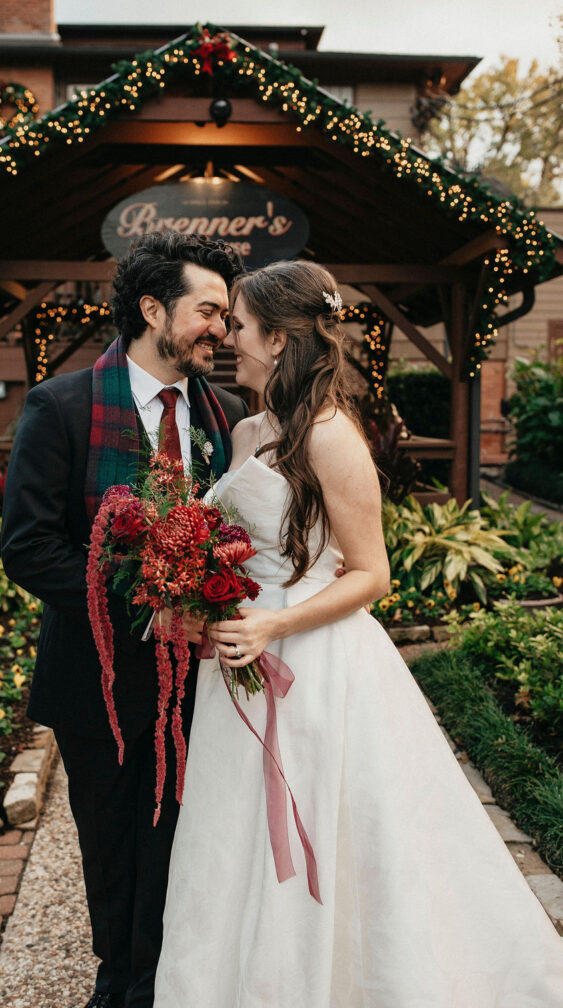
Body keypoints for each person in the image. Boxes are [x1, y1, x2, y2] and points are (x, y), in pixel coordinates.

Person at [153, 260, 563, 1007]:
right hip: (238, 662)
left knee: (335, 827)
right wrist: (194, 597)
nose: (226, 338)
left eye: (238, 326)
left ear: (278, 340)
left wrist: (274, 620)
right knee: (231, 839)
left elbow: (370, 575)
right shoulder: (246, 429)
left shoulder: (332, 435)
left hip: (315, 664)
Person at [0, 232, 248, 1008]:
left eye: (227, 314)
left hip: (200, 683)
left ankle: (170, 978)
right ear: (152, 309)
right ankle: (120, 985)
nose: (222, 328)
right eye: (208, 310)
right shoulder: (62, 405)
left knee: (180, 839)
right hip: (97, 680)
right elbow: (29, 547)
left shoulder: (227, 415)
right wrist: (150, 608)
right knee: (111, 843)